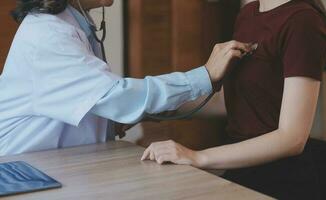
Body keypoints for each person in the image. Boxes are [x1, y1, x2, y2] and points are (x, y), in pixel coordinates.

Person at [0, 0, 254, 156]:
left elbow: (95, 101)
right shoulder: (49, 34)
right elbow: (116, 97)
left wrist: (112, 121)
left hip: (62, 163)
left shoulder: (74, 25)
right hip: (26, 168)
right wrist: (204, 75)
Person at [141, 0, 326, 199]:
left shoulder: (303, 21)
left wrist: (197, 156)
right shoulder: (248, 14)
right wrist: (152, 109)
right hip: (241, 173)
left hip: (282, 181)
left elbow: (292, 138)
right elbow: (237, 103)